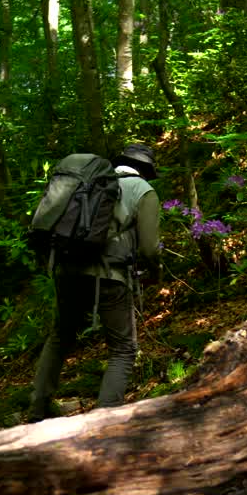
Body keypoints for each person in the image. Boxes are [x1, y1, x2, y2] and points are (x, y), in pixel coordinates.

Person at [29, 143, 161, 421]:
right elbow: (150, 248)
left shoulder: (89, 184)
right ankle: (106, 418)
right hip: (110, 275)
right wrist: (154, 273)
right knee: (123, 349)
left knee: (60, 336)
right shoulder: (143, 191)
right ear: (147, 170)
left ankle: (38, 409)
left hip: (66, 270)